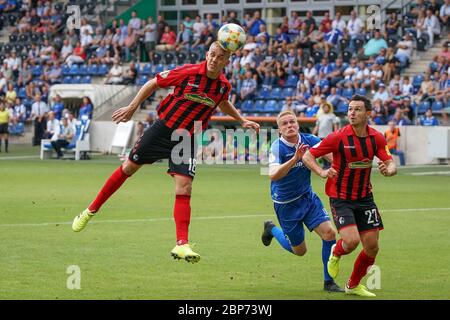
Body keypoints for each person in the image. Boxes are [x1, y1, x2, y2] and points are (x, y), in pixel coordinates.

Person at [71, 42, 260, 263]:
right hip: (163, 129)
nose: (213, 60)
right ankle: (90, 210)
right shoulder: (188, 72)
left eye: (219, 57)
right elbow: (153, 82)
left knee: (185, 186)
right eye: (211, 54)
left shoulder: (223, 86)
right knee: (129, 168)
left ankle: (182, 244)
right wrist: (132, 107)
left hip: (186, 138)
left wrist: (241, 120)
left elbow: (223, 102)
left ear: (227, 61)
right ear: (206, 54)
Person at [302, 95, 397, 297]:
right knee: (351, 242)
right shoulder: (338, 137)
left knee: (372, 247)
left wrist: (389, 170)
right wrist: (321, 172)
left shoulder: (377, 138)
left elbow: (390, 161)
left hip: (365, 198)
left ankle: (352, 285)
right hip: (341, 197)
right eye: (350, 109)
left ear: (368, 114)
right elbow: (308, 155)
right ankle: (336, 253)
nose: (352, 113)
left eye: (357, 109)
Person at [261, 110, 343, 293]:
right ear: (279, 129)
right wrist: (295, 159)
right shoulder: (277, 147)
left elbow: (332, 155)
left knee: (329, 233)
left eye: (292, 122)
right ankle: (272, 229)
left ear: (298, 124)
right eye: (285, 124)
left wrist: (344, 165)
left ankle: (328, 282)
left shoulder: (310, 139)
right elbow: (273, 175)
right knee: (299, 251)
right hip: (286, 204)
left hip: (308, 198)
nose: (289, 125)